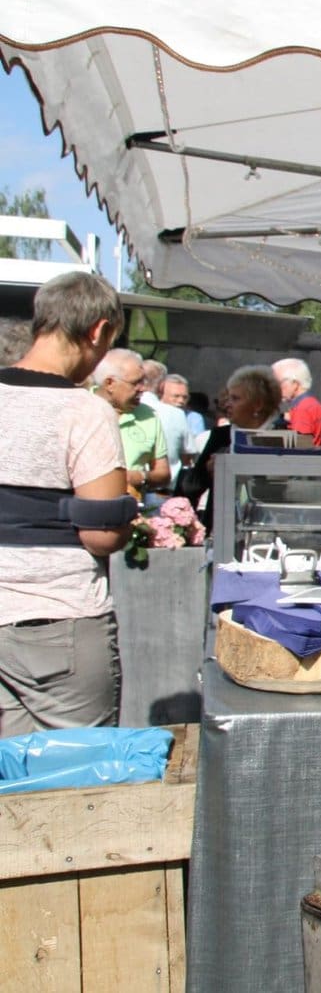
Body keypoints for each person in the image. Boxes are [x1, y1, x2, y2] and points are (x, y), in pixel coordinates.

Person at [0, 271, 134, 736]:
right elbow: (101, 533)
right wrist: (127, 512)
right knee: (77, 785)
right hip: (58, 622)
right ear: (97, 331)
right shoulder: (85, 411)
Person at [182, 365, 281, 528]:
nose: (227, 404)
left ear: (257, 405)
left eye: (235, 399)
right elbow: (190, 488)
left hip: (267, 528)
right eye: (228, 398)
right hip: (220, 527)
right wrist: (208, 472)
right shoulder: (221, 437)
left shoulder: (282, 436)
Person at [94, 348, 170, 497]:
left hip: (133, 511)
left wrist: (142, 477)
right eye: (135, 383)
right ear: (110, 383)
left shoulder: (149, 416)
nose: (143, 388)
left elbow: (164, 473)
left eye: (143, 381)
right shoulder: (80, 408)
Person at [140, 359, 189, 483]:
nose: (181, 400)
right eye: (176, 396)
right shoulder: (176, 414)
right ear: (162, 386)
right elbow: (188, 454)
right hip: (163, 487)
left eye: (184, 397)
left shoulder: (122, 409)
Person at [271, 357, 321, 445]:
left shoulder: (302, 409)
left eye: (279, 383)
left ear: (295, 384)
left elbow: (299, 448)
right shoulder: (314, 404)